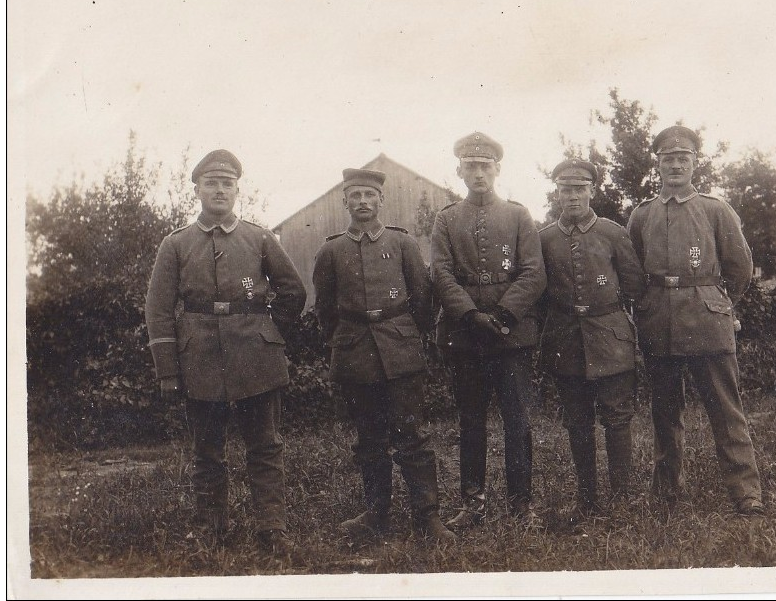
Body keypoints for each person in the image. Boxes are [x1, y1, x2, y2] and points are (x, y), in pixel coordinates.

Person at [144, 149, 307, 554]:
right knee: (207, 449)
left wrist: (269, 333)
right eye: (212, 183)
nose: (220, 190)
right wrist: (168, 369)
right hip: (198, 358)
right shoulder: (175, 244)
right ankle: (210, 528)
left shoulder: (260, 238)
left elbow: (293, 291)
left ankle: (272, 529)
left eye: (227, 183)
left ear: (237, 190)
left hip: (256, 356)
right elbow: (159, 309)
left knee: (265, 445)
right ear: (197, 189)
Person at [312, 168, 456, 545]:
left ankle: (427, 517)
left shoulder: (403, 244)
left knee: (413, 435)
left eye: (369, 195)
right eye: (355, 195)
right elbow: (325, 310)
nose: (362, 202)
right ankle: (376, 515)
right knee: (369, 439)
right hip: (354, 352)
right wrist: (345, 340)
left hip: (400, 348)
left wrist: (409, 335)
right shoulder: (331, 251)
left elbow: (422, 298)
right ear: (344, 201)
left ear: (381, 200)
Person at [626, 126, 764, 515]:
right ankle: (667, 491)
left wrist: (718, 302)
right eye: (667, 160)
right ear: (658, 165)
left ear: (693, 164)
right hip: (659, 324)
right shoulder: (642, 214)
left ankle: (746, 493)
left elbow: (740, 266)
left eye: (682, 159)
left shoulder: (716, 209)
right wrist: (646, 305)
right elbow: (632, 269)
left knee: (725, 409)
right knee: (665, 412)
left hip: (708, 321)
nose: (674, 166)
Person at [430, 131, 547, 528]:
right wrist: (470, 315)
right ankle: (473, 503)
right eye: (471, 166)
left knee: (518, 420)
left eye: (485, 166)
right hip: (465, 336)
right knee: (471, 420)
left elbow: (534, 273)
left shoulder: (518, 215)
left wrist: (504, 314)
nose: (478, 173)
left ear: (497, 169)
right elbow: (442, 274)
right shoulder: (446, 219)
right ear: (459, 170)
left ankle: (521, 504)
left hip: (511, 336)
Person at [537, 158, 646, 526]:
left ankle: (621, 501)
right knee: (577, 422)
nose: (572, 196)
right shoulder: (545, 238)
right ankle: (586, 500)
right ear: (557, 192)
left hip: (610, 337)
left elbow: (633, 285)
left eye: (580, 189)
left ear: (592, 191)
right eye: (566, 189)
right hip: (565, 339)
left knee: (617, 419)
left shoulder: (613, 233)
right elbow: (539, 293)